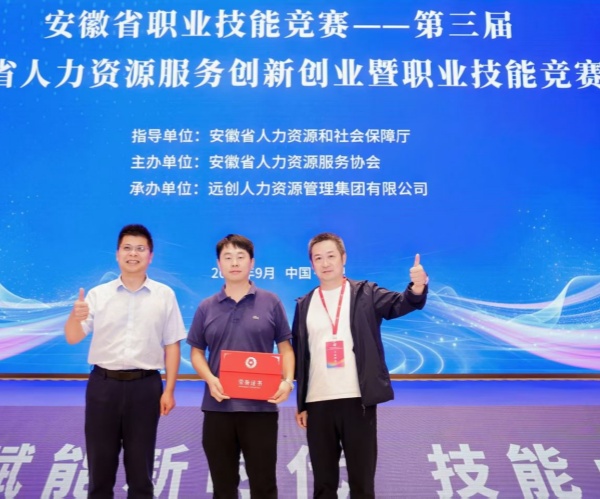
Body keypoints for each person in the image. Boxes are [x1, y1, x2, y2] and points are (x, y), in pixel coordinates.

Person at [292, 232, 428, 498]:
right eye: (318, 258)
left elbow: (399, 304)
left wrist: (418, 286)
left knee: (362, 483)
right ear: (311, 264)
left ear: (343, 258)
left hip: (357, 401)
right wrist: (302, 404)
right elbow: (301, 356)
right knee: (323, 485)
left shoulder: (366, 293)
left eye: (331, 256)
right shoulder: (304, 304)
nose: (325, 263)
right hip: (318, 403)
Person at [64, 224, 186, 498]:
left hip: (145, 387)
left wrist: (169, 390)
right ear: (117, 254)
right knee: (100, 469)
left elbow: (172, 344)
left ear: (150, 256)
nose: (133, 254)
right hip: (103, 386)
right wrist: (75, 315)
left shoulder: (164, 295)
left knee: (141, 471)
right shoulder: (98, 295)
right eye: (127, 248)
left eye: (140, 249)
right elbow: (72, 337)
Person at [187, 234, 294, 499]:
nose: (234, 263)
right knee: (223, 487)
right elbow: (196, 352)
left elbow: (285, 347)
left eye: (240, 256)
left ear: (252, 262)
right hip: (218, 407)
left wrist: (287, 381)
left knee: (264, 485)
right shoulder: (206, 307)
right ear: (219, 264)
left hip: (261, 409)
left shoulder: (271, 302)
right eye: (227, 257)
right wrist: (210, 379)